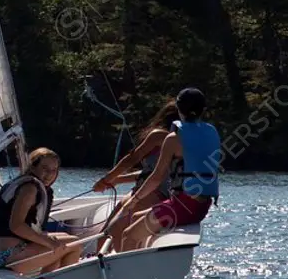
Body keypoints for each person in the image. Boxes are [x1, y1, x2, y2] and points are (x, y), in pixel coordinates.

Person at [117, 86, 220, 253]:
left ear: (178, 109)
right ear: (204, 110)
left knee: (128, 236)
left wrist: (133, 201)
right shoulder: (212, 132)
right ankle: (144, 266)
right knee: (136, 218)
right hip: (201, 206)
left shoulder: (173, 138)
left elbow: (156, 178)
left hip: (182, 206)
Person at [92, 98, 180, 253]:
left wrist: (106, 179)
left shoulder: (159, 136)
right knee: (106, 233)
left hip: (151, 193)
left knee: (111, 232)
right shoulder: (183, 142)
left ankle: (115, 269)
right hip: (159, 193)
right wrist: (118, 180)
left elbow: (132, 159)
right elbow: (151, 171)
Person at [0, 147, 83, 275]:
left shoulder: (27, 184)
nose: (49, 174)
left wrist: (50, 242)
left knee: (62, 241)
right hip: (7, 256)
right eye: (44, 168)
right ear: (32, 167)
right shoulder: (29, 189)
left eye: (53, 170)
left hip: (6, 251)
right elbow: (16, 226)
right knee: (75, 244)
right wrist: (49, 242)